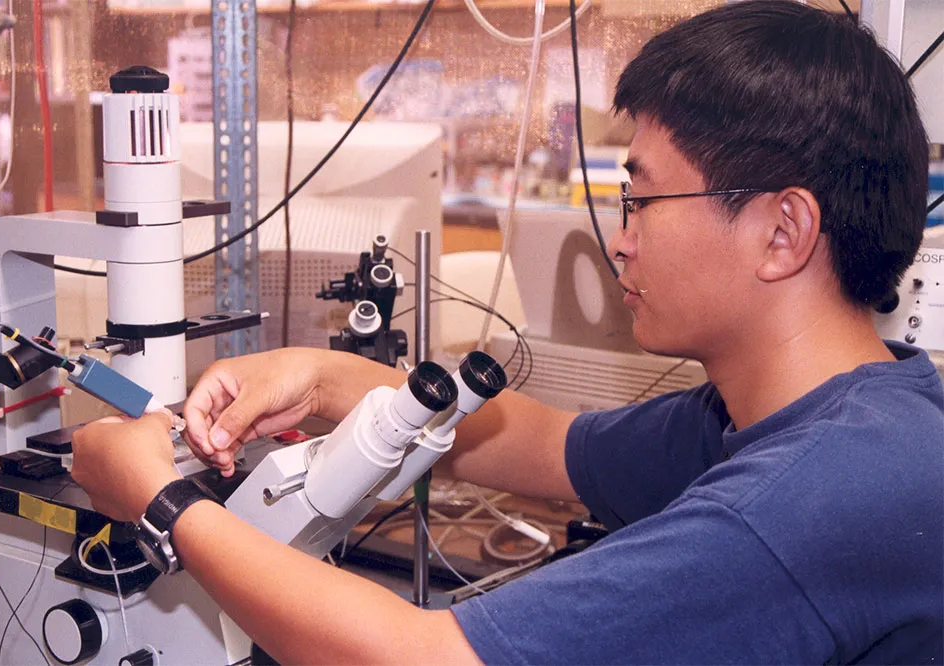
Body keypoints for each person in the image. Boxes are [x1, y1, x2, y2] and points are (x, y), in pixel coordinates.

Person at [71, 1, 944, 663]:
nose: (622, 237)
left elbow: (420, 657)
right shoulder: (825, 417)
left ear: (782, 232)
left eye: (641, 198)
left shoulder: (806, 497)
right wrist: (322, 375)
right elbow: (545, 444)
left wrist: (160, 499)